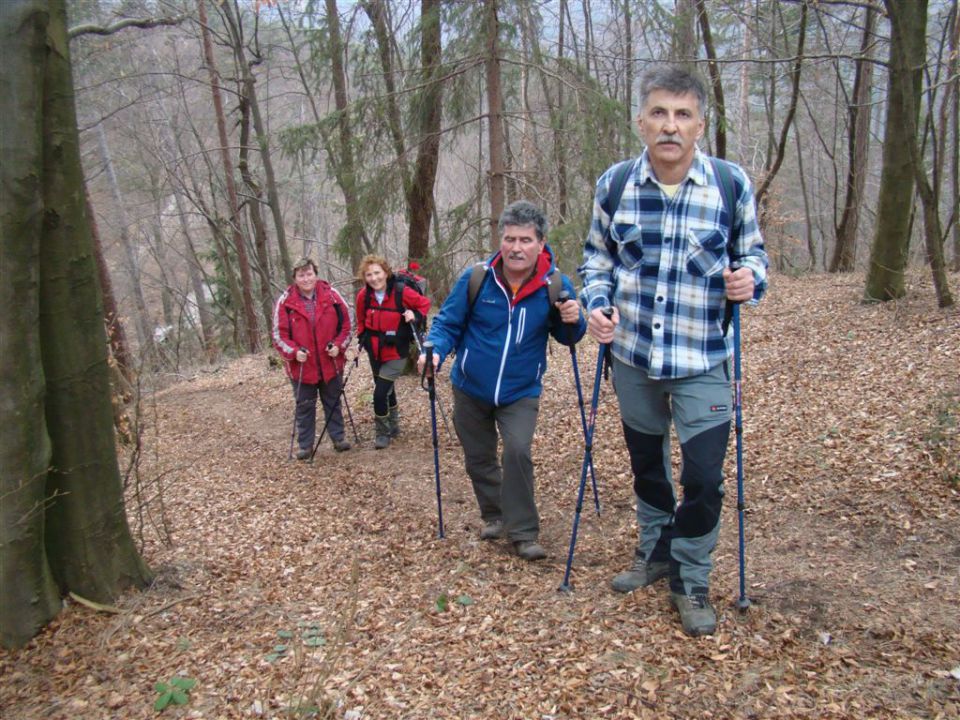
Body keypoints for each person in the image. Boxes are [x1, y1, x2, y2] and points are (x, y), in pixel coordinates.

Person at [579, 65, 769, 636]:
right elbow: (596, 259)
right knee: (647, 467)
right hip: (634, 357)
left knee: (705, 478)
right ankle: (656, 551)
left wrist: (749, 281)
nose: (670, 126)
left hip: (704, 359)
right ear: (641, 121)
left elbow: (755, 258)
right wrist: (595, 301)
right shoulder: (615, 185)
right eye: (659, 113)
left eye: (682, 115)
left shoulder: (730, 185)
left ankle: (691, 576)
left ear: (700, 125)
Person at [420, 200, 587, 561]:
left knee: (517, 451)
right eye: (509, 239)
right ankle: (494, 514)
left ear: (540, 243)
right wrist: (433, 349)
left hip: (520, 391)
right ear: (501, 240)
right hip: (470, 386)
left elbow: (568, 337)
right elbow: (448, 322)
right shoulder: (477, 278)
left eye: (525, 240)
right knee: (478, 457)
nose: (515, 247)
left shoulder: (555, 284)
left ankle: (524, 532)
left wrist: (575, 319)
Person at [273, 257, 353, 459]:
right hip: (302, 366)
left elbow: (347, 325)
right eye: (301, 275)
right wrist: (293, 352)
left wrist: (338, 346)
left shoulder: (332, 295)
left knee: (333, 401)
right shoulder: (285, 302)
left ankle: (338, 438)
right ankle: (305, 445)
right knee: (305, 405)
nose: (306, 278)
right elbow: (278, 334)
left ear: (316, 275)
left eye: (309, 274)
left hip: (330, 361)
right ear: (295, 278)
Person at [355, 255, 431, 449]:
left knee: (379, 393)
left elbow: (424, 304)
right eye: (369, 274)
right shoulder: (363, 296)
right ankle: (394, 425)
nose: (374, 278)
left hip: (397, 349)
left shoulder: (400, 291)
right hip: (374, 349)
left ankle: (382, 433)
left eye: (377, 273)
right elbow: (361, 321)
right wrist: (360, 342)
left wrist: (415, 314)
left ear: (386, 272)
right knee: (387, 388)